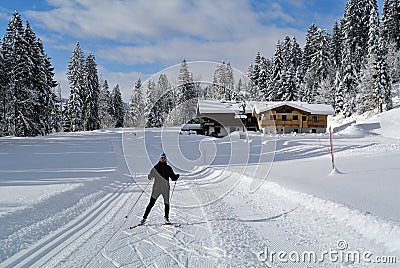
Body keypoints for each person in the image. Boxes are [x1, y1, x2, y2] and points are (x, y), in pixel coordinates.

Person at [140, 153, 179, 225]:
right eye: (162, 158)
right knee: (151, 203)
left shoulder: (168, 168)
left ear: (166, 159)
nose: (163, 159)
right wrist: (150, 175)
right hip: (156, 189)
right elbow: (150, 177)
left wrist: (176, 176)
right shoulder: (156, 167)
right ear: (159, 159)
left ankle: (166, 218)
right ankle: (144, 219)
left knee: (166, 203)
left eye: (164, 158)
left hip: (165, 189)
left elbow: (173, 178)